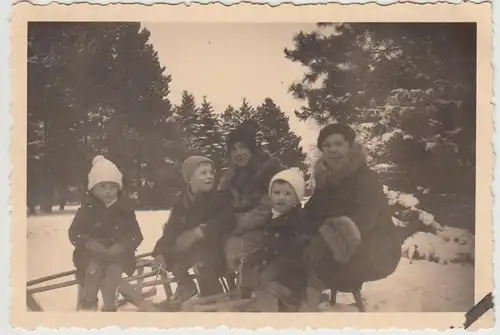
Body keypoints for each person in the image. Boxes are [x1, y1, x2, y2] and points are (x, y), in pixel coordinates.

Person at [302, 123, 402, 310]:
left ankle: (306, 312)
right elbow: (310, 212)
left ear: (349, 147)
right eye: (327, 145)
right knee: (294, 251)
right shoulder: (325, 178)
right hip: (339, 243)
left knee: (318, 264)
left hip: (375, 249)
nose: (333, 150)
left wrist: (322, 240)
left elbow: (364, 220)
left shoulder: (365, 177)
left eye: (338, 144)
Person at [152, 156, 234, 302]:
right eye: (203, 173)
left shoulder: (218, 198)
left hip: (215, 248)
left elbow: (226, 220)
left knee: (201, 262)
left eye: (211, 172)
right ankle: (185, 286)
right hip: (191, 249)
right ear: (190, 179)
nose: (209, 176)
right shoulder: (181, 203)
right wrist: (160, 252)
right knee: (173, 252)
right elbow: (171, 231)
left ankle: (212, 297)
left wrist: (200, 231)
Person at [218, 120, 285, 298]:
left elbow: (269, 207)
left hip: (269, 229)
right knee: (209, 247)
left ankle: (252, 293)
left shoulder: (268, 172)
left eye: (243, 147)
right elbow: (221, 205)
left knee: (235, 249)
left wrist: (238, 223)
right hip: (237, 229)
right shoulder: (229, 177)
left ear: (252, 149)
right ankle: (226, 292)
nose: (238, 153)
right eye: (234, 149)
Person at [68, 155, 144, 312]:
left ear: (119, 187)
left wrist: (122, 245)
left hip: (117, 255)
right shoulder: (87, 210)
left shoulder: (125, 210)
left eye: (112, 186)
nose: (108, 191)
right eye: (102, 186)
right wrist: (88, 242)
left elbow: (136, 235)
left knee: (113, 273)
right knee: (93, 270)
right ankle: (89, 301)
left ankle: (110, 306)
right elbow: (74, 233)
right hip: (92, 254)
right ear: (93, 188)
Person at [247, 167, 309, 312]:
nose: (281, 197)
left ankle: (272, 321)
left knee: (265, 289)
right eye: (276, 193)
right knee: (249, 273)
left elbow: (293, 255)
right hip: (274, 275)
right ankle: (250, 303)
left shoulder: (297, 222)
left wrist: (271, 270)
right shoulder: (273, 217)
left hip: (291, 282)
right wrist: (255, 257)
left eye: (287, 194)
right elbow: (268, 245)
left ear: (297, 198)